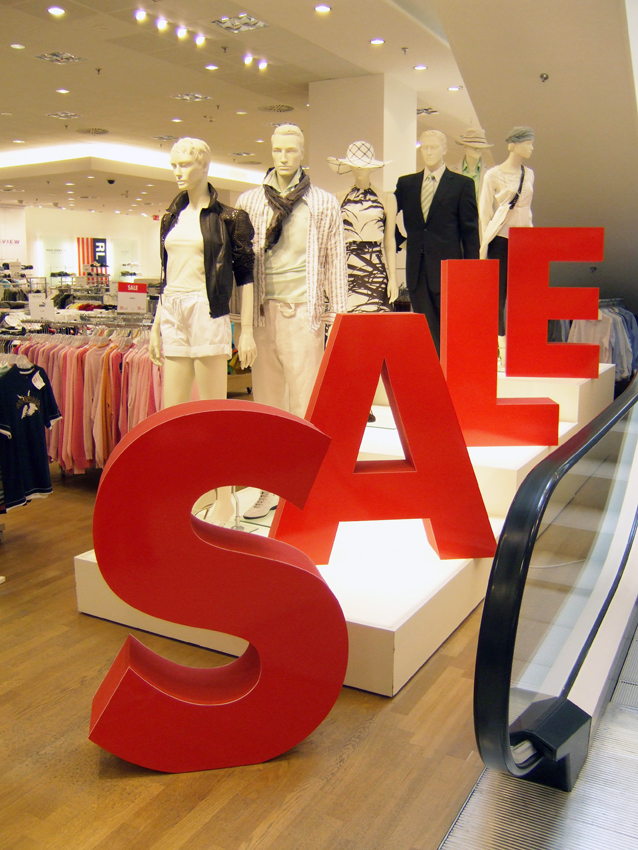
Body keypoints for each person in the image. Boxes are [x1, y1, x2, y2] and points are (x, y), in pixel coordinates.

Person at [236, 123, 347, 519]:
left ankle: (307, 488)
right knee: (268, 407)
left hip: (304, 313)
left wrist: (339, 318)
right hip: (262, 314)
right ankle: (270, 487)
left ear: (302, 153)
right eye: (277, 150)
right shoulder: (250, 201)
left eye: (291, 150)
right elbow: (241, 266)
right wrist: (242, 323)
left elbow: (335, 261)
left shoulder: (322, 202)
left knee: (305, 404)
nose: (283, 157)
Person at [149, 137, 256, 523]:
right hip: (173, 308)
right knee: (172, 415)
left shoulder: (229, 218)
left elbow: (246, 276)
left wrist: (246, 330)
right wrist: (156, 324)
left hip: (207, 309)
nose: (177, 172)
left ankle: (224, 497)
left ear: (204, 166)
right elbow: (167, 276)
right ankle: (183, 493)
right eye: (174, 165)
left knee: (213, 413)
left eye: (184, 165)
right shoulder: (170, 218)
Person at [395, 129, 479, 354]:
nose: (429, 152)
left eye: (433, 147)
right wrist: (399, 242)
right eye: (425, 147)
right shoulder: (407, 184)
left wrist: (470, 273)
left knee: (450, 328)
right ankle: (431, 369)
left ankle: (448, 369)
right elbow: (388, 217)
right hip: (417, 269)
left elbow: (470, 232)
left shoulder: (461, 185)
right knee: (423, 329)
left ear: (444, 149)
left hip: (448, 270)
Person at [479, 126, 535, 366]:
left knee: (522, 294)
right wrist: (484, 244)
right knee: (498, 296)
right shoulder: (493, 175)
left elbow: (528, 209)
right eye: (528, 143)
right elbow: (484, 211)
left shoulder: (529, 174)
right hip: (500, 239)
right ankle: (500, 347)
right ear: (513, 145)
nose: (531, 148)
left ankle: (520, 345)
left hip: (524, 240)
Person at [328, 140, 398, 312]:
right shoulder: (337, 198)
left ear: (371, 167)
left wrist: (393, 278)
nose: (359, 169)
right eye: (355, 165)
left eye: (363, 165)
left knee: (375, 321)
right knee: (347, 322)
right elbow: (332, 242)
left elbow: (390, 241)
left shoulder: (386, 198)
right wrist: (328, 277)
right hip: (346, 269)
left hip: (375, 268)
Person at [449, 127, 494, 204]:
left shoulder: (491, 174)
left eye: (480, 146)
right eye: (474, 146)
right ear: (465, 146)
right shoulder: (451, 172)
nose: (478, 149)